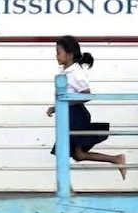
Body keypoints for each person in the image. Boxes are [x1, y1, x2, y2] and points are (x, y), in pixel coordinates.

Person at [47, 35, 127, 179]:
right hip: (69, 115)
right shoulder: (66, 72)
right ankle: (116, 159)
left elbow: (86, 95)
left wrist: (64, 104)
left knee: (62, 152)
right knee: (78, 155)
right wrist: (56, 107)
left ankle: (66, 189)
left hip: (76, 115)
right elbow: (67, 95)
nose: (56, 55)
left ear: (69, 54)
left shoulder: (76, 72)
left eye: (59, 52)